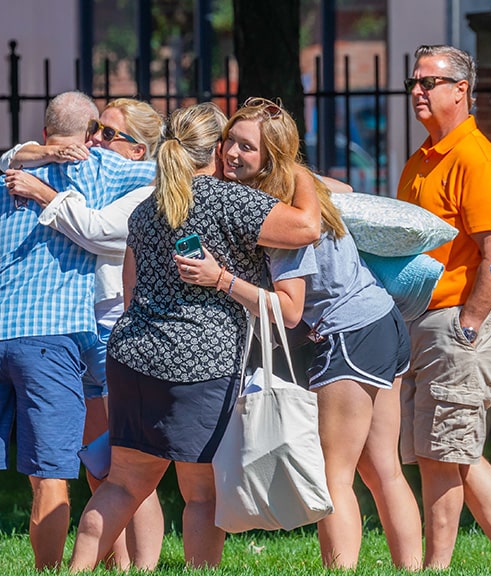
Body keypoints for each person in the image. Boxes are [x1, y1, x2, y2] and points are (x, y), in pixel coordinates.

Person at [68, 102, 321, 571]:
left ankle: (77, 570)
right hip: (201, 364)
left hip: (132, 356)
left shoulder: (149, 207)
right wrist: (293, 167)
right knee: (202, 495)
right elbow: (307, 226)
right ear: (215, 148)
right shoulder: (231, 201)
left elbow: (130, 287)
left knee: (122, 486)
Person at [178, 97, 422, 570]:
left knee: (334, 477)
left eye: (246, 148)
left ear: (271, 158)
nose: (230, 152)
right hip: (383, 322)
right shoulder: (301, 185)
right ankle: (416, 569)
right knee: (381, 468)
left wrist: (219, 279)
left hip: (350, 334)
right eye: (230, 140)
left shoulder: (281, 217)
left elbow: (289, 312)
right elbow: (344, 185)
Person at [0, 90, 157, 574]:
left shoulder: (3, 186)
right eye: (99, 133)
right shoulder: (101, 171)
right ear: (91, 134)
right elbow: (173, 172)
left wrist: (26, 157)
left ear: (44, 132)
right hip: (53, 338)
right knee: (50, 473)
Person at [0, 97, 166, 570]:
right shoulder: (88, 171)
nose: (95, 139)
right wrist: (46, 157)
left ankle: (144, 565)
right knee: (100, 465)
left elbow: (99, 233)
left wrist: (45, 194)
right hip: (76, 327)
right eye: (95, 128)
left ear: (138, 150)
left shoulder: (147, 186)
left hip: (116, 331)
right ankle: (118, 562)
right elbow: (9, 158)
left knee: (131, 468)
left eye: (109, 133)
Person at [395, 44, 491, 569]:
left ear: (461, 90)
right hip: (425, 321)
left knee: (438, 455)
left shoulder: (476, 160)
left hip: (456, 323)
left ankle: (436, 567)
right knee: (453, 450)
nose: (417, 92)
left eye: (429, 82)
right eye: (415, 82)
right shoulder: (424, 158)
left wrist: (470, 324)